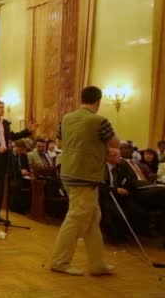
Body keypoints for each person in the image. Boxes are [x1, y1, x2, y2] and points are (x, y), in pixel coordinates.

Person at [50, 86, 120, 276]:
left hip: (68, 172)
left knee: (92, 219)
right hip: (86, 175)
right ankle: (60, 261)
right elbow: (116, 143)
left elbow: (58, 144)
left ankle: (98, 263)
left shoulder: (66, 118)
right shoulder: (99, 120)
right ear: (98, 101)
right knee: (76, 218)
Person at [0, 100, 37, 222]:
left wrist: (28, 130)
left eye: (3, 108)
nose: (2, 110)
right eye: (0, 108)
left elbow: (13, 136)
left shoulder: (6, 124)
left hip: (3, 160)